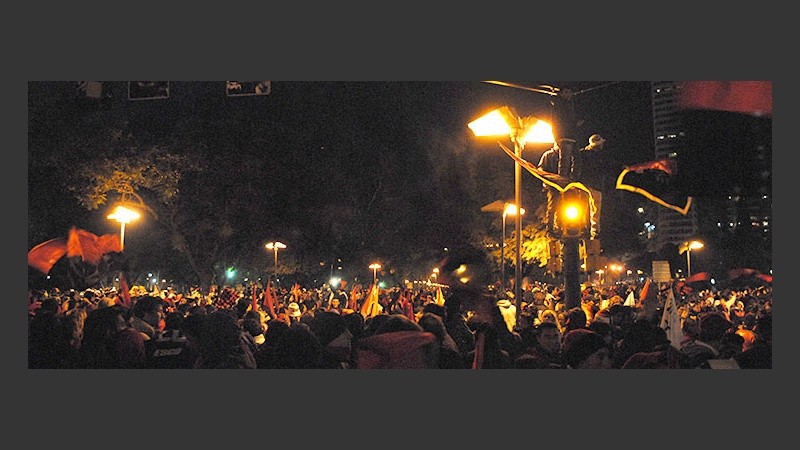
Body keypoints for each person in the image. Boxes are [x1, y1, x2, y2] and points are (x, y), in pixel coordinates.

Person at [573, 133, 609, 239]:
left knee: (582, 207)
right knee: (595, 209)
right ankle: (594, 231)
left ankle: (583, 229)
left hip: (583, 184)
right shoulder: (599, 156)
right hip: (595, 184)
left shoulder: (582, 153)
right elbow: (607, 167)